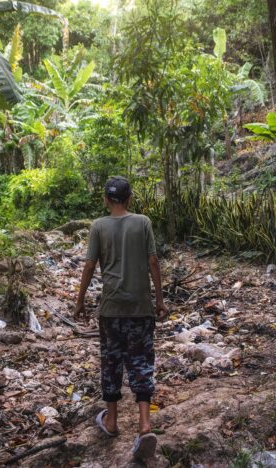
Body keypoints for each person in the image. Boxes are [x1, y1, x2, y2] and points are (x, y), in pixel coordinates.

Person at [74, 176, 168, 463]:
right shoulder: (143, 222)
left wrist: (79, 301)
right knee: (141, 363)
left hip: (111, 309)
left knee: (112, 363)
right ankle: (144, 425)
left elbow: (90, 265)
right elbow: (153, 261)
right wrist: (160, 300)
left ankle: (112, 422)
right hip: (140, 307)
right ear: (129, 199)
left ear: (106, 200)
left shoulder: (99, 226)